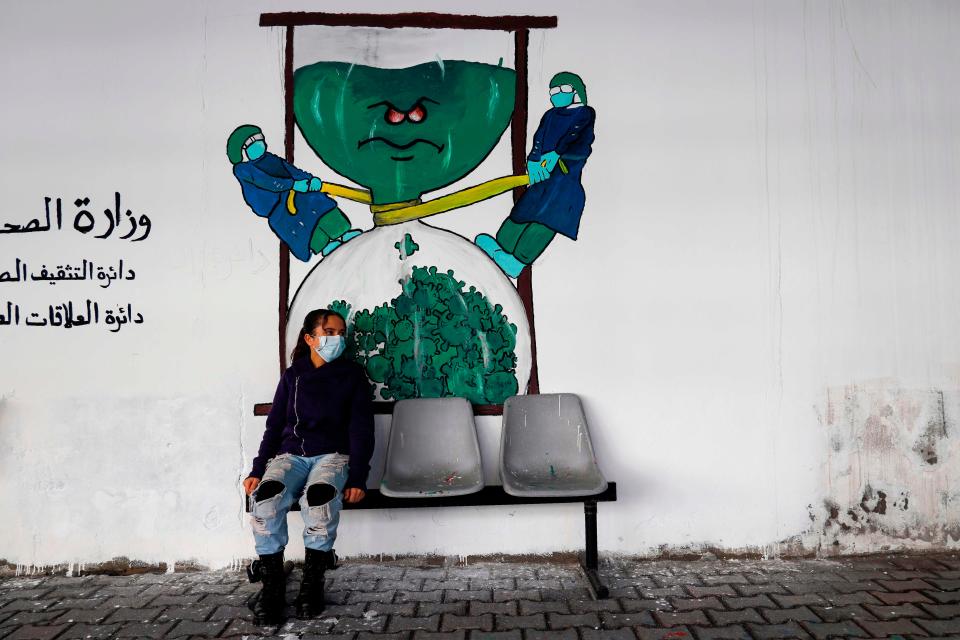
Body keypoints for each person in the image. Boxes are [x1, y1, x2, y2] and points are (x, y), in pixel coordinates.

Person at [242, 309, 375, 624]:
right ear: (309, 338)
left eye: (340, 332)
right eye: (329, 331)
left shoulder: (352, 375)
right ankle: (272, 587)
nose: (336, 338)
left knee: (320, 500)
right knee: (265, 499)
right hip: (292, 456)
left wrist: (358, 477)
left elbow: (361, 429)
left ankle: (311, 585)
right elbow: (274, 428)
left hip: (333, 457)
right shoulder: (293, 376)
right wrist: (258, 469)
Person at [475, 72, 596, 277]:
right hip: (541, 178)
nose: (557, 94)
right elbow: (538, 139)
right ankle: (500, 250)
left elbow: (573, 136)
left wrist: (556, 154)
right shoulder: (550, 115)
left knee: (546, 220)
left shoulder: (584, 112)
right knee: (520, 216)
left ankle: (517, 261)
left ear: (576, 91)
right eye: (553, 91)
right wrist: (533, 160)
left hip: (564, 180)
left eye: (563, 90)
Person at [227, 124, 362, 262]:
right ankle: (324, 244)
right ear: (242, 149)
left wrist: (310, 179)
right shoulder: (243, 169)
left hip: (294, 192)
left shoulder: (270, 158)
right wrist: (293, 185)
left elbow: (292, 171)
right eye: (252, 142)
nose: (258, 143)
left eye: (259, 138)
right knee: (301, 223)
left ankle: (341, 231)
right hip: (277, 208)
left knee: (317, 200)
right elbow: (266, 181)